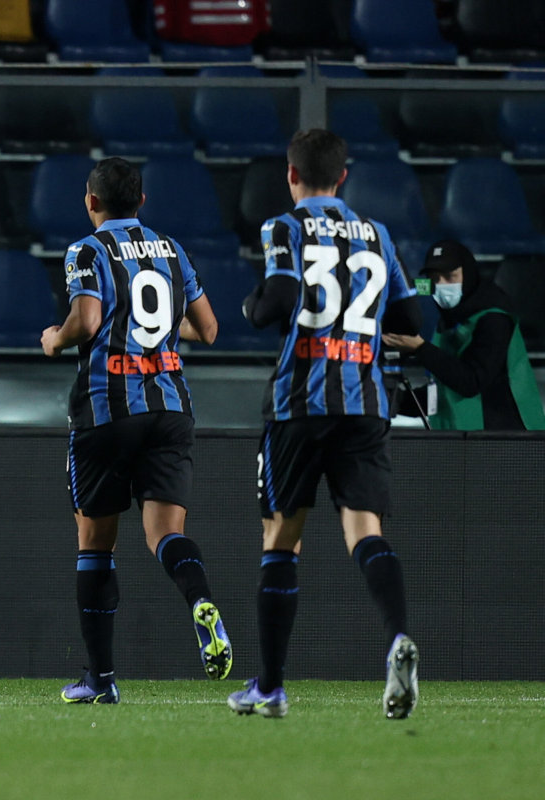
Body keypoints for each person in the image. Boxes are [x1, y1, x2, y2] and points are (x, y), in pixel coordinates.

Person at [232, 129, 424, 720]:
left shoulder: (283, 227)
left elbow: (279, 298)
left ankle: (269, 687)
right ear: (343, 177)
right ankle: (397, 638)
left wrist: (252, 305)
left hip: (299, 404)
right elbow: (413, 317)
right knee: (365, 531)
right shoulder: (376, 234)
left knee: (281, 539)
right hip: (364, 402)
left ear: (291, 176)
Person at [40, 156, 231, 705]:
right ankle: (199, 599)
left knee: (95, 546)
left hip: (106, 411)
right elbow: (209, 329)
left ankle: (100, 679)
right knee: (165, 534)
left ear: (91, 202)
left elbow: (89, 321)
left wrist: (55, 338)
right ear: (142, 202)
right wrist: (162, 333)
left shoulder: (88, 249)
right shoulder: (172, 250)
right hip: (170, 408)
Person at [382, 239, 545, 431]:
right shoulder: (448, 323)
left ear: (467, 275)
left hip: (504, 440)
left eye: (451, 276)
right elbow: (443, 394)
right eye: (435, 279)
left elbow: (470, 382)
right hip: (464, 440)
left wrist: (420, 348)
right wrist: (387, 399)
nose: (441, 285)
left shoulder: (494, 320)